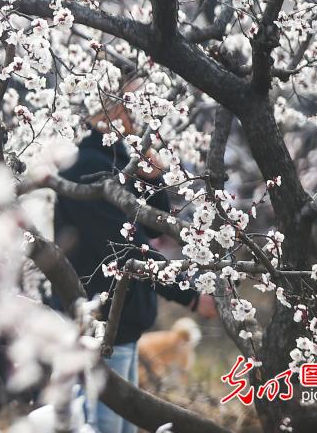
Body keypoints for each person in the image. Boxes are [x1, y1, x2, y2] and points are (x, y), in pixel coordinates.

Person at [52, 81, 218, 433]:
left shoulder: (116, 157)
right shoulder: (86, 166)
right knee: (106, 427)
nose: (137, 115)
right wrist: (189, 296)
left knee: (124, 426)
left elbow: (153, 229)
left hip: (123, 324)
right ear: (107, 106)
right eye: (131, 104)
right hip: (104, 326)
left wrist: (154, 180)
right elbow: (127, 248)